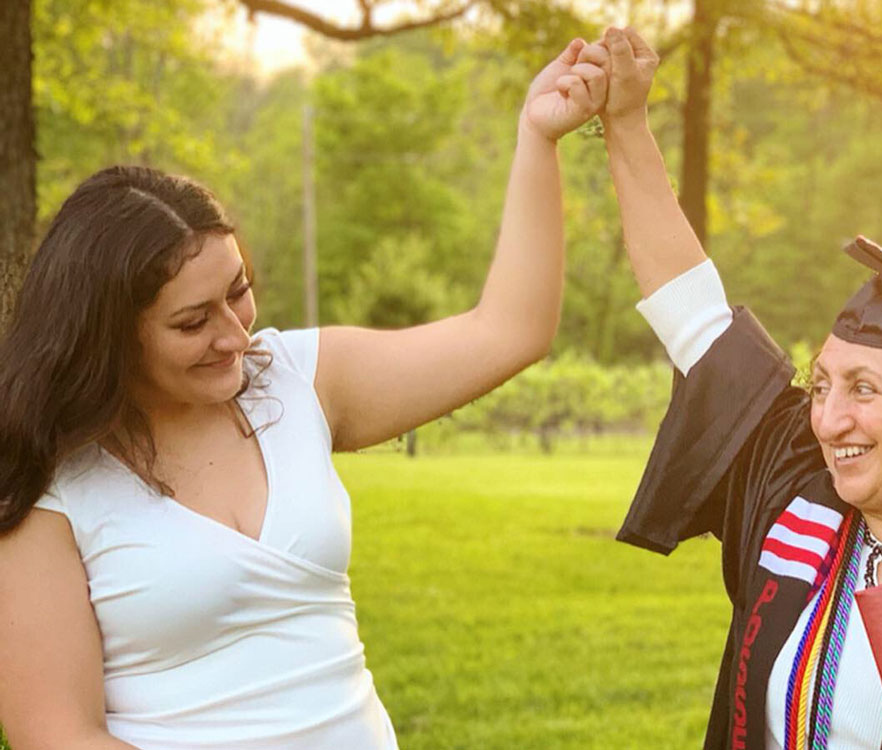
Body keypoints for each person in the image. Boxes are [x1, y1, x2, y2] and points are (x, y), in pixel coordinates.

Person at [0, 39, 609, 750]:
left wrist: (536, 137)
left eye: (239, 293)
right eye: (193, 322)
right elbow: (59, 734)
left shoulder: (295, 377)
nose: (233, 335)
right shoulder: (48, 478)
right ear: (108, 337)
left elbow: (510, 331)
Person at [590, 28, 882, 750]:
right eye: (821, 385)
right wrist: (625, 122)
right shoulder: (790, 482)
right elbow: (688, 307)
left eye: (864, 389)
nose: (827, 418)